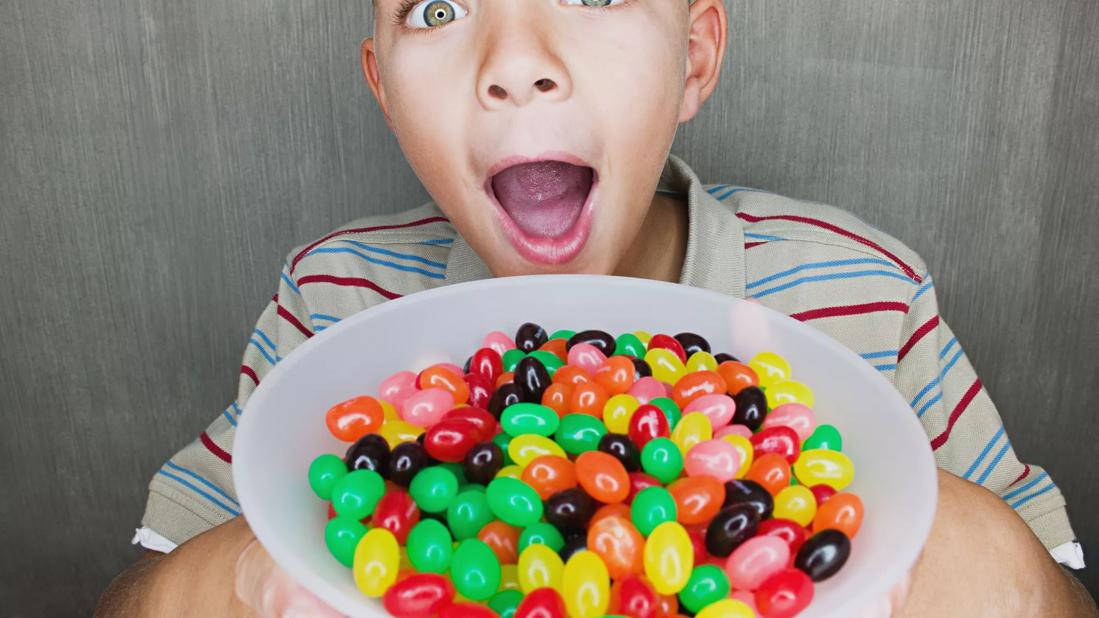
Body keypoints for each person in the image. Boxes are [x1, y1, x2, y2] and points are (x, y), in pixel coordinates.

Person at [97, 1, 1096, 615]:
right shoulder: (332, 303)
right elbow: (140, 592)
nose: (516, 59)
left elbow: (1048, 589)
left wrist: (952, 560)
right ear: (384, 91)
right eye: (437, 6)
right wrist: (244, 587)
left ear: (694, 57)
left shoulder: (866, 294)